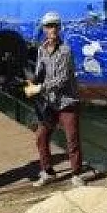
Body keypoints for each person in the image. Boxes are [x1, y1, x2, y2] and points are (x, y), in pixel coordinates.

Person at [23, 11, 84, 185]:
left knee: (72, 138)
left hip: (67, 102)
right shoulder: (41, 50)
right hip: (49, 103)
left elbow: (62, 79)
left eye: (56, 26)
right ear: (44, 29)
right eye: (49, 26)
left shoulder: (65, 51)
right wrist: (30, 80)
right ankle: (48, 172)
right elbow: (39, 72)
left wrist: (39, 88)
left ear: (60, 28)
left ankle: (76, 174)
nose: (53, 29)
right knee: (41, 137)